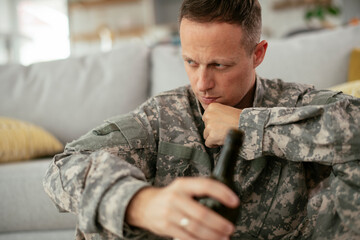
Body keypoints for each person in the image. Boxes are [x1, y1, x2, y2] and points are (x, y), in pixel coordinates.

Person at [43, 0, 360, 239]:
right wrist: (139, 203)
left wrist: (249, 125)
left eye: (219, 65)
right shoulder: (164, 115)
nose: (202, 83)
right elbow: (63, 167)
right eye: (191, 62)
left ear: (258, 53)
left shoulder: (292, 102)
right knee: (105, 212)